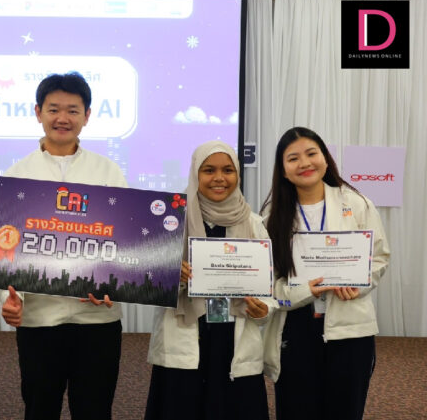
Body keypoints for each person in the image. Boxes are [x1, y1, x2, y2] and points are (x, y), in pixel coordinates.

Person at [0, 72, 127, 420]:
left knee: (95, 410)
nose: (62, 118)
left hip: (98, 320)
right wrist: (7, 299)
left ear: (87, 116)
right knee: (40, 408)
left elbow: (125, 243)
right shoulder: (16, 176)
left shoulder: (109, 172)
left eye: (73, 110)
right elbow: (4, 248)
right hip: (39, 319)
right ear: (38, 112)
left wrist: (115, 284)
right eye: (54, 109)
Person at [260, 127, 390, 420]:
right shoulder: (271, 217)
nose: (304, 163)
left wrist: (359, 283)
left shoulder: (356, 203)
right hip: (295, 329)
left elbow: (379, 257)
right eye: (293, 158)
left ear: (325, 158)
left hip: (349, 327)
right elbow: (268, 283)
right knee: (296, 410)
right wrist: (304, 291)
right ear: (283, 170)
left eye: (311, 153)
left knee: (345, 410)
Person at [145, 141, 275, 420]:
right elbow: (146, 282)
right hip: (187, 336)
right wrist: (171, 275)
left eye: (228, 170)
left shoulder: (253, 223)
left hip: (233, 337)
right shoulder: (172, 219)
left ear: (237, 174)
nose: (219, 178)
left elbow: (268, 286)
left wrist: (264, 309)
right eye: (208, 170)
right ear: (195, 173)